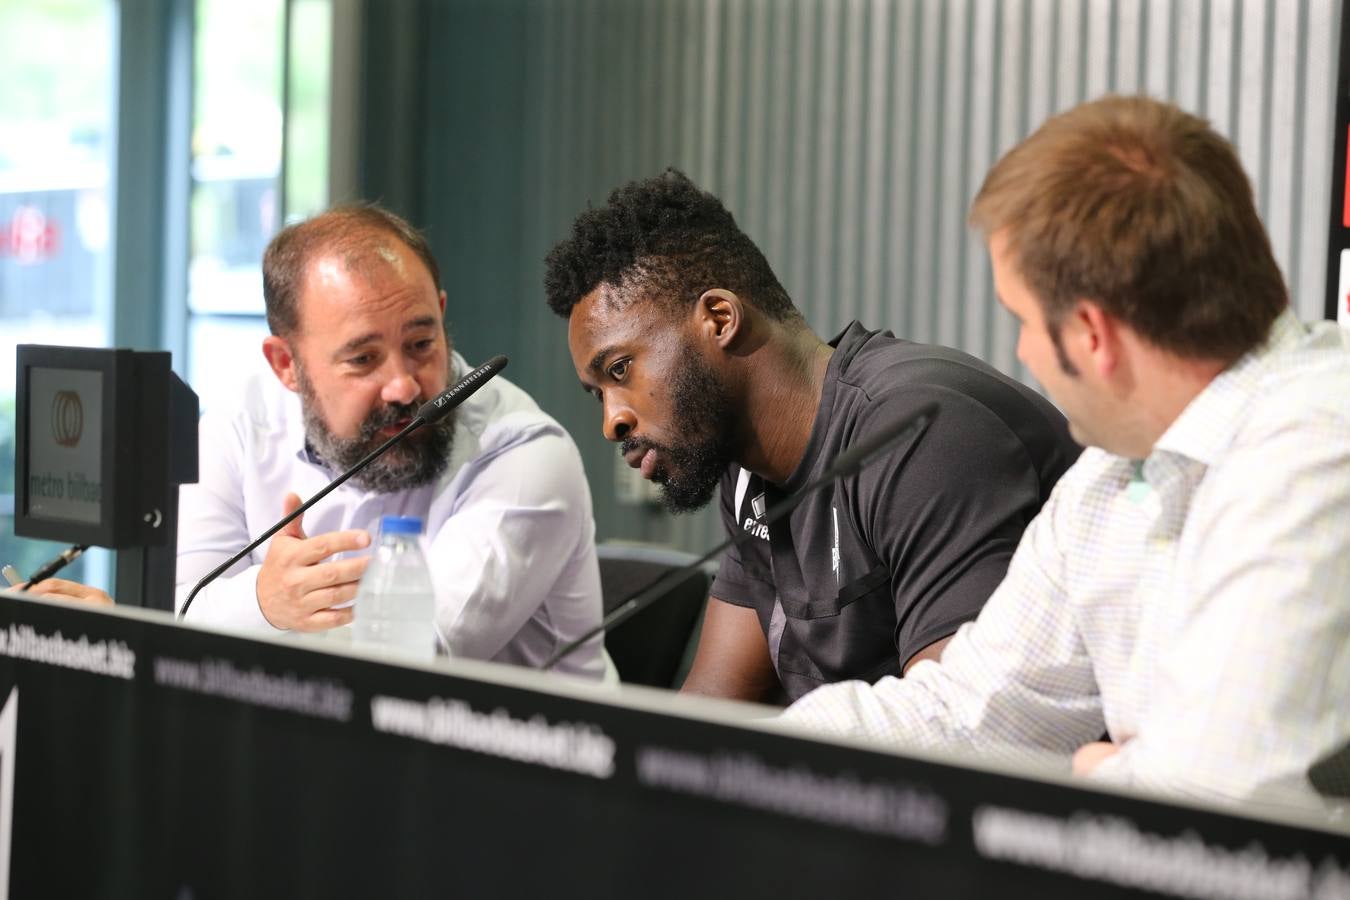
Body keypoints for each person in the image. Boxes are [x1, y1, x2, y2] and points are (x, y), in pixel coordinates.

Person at [780, 95, 1350, 810]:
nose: (1019, 351)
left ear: (1091, 336)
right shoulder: (1111, 475)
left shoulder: (1319, 446)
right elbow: (971, 714)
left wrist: (1096, 773)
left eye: (1021, 319)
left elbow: (1217, 813)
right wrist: (761, 755)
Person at [544, 170, 1080, 704]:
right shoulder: (746, 469)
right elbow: (711, 706)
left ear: (719, 318)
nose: (611, 421)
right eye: (599, 393)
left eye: (619, 371)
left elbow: (950, 735)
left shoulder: (921, 434)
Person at [34, 204, 609, 679]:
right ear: (286, 364)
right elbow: (176, 602)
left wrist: (234, 619)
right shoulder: (243, 426)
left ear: (440, 313)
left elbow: (412, 657)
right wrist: (264, 606)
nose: (404, 385)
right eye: (363, 359)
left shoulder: (526, 453)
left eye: (420, 343)